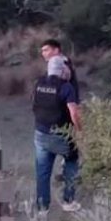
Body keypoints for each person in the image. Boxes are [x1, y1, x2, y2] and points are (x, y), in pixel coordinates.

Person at [33, 55, 81, 212]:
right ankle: (68, 201)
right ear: (62, 69)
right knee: (72, 163)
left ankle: (42, 207)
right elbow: (74, 113)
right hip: (61, 135)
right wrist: (80, 130)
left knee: (42, 172)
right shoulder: (66, 87)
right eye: (66, 67)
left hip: (40, 134)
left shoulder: (39, 83)